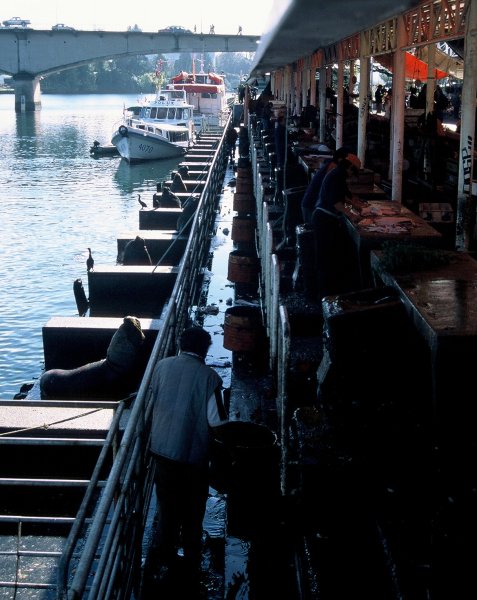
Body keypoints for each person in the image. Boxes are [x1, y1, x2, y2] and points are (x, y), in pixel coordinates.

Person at [146, 326, 228, 594]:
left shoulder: (160, 366)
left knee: (167, 506)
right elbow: (217, 422)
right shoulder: (210, 378)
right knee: (193, 508)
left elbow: (153, 401)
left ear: (181, 345)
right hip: (192, 456)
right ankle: (191, 556)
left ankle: (165, 556)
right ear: (205, 350)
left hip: (160, 450)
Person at [311, 157, 361, 303]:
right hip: (323, 219)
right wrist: (352, 215)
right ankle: (324, 297)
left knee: (327, 259)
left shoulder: (339, 174)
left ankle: (327, 294)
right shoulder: (337, 176)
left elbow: (344, 196)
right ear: (349, 168)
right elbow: (337, 203)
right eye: (354, 171)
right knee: (324, 260)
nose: (353, 175)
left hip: (326, 219)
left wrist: (356, 206)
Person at [301, 147, 350, 224]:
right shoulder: (334, 169)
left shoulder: (333, 166)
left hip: (312, 205)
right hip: (311, 205)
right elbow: (334, 198)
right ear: (341, 160)